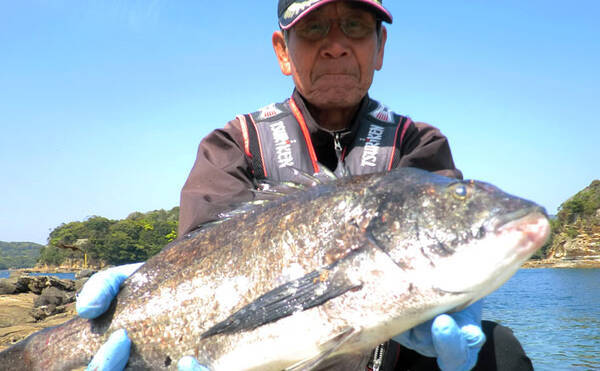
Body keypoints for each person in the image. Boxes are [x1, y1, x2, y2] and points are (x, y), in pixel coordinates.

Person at [78, 1, 534, 370]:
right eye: (314, 29)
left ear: (380, 47)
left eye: (355, 26)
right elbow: (200, 252)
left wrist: (463, 300)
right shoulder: (233, 143)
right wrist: (143, 294)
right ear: (282, 51)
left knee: (501, 354)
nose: (336, 46)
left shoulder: (418, 143)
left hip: (394, 356)